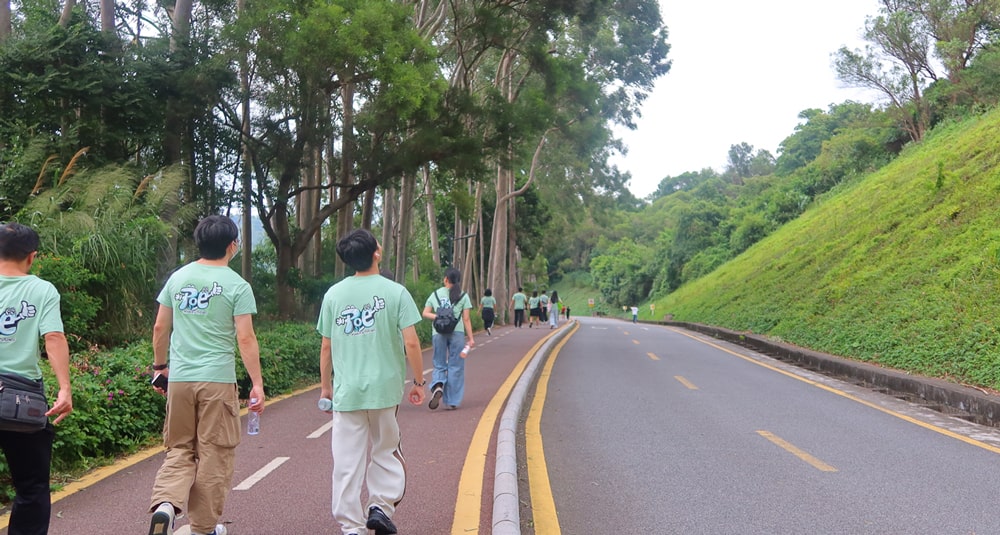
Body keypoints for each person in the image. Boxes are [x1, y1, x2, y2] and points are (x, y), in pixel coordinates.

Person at [147, 215, 265, 535]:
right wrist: (256, 383)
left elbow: (160, 327)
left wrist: (160, 369)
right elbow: (245, 338)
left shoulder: (178, 278)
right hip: (217, 381)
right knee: (215, 453)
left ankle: (166, 506)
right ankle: (202, 529)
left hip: (181, 380)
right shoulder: (237, 285)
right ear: (231, 246)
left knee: (180, 449)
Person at [317, 228, 425, 535]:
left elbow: (326, 347)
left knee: (346, 461)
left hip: (347, 392)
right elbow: (412, 343)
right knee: (386, 451)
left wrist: (326, 388)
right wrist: (418, 381)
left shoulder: (334, 295)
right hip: (384, 391)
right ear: (376, 253)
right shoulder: (395, 292)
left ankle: (351, 526)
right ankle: (380, 506)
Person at [0, 222, 73, 535]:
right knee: (31, 487)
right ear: (32, 257)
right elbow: (53, 337)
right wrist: (64, 389)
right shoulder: (42, 290)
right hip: (21, 402)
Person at [423, 267, 474, 411]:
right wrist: (470, 338)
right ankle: (452, 401)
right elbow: (466, 318)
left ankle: (438, 385)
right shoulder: (464, 296)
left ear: (445, 279)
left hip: (438, 332)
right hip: (457, 332)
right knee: (455, 366)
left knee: (439, 363)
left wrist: (438, 317)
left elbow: (425, 313)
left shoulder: (435, 294)